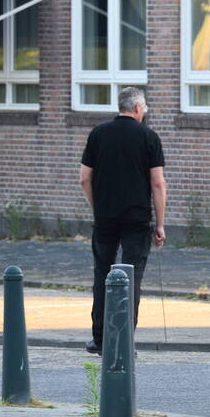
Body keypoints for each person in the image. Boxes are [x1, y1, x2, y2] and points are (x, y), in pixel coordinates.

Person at [78, 86, 167, 354]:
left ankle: (100, 339)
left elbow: (84, 178)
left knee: (101, 273)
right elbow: (158, 183)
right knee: (131, 277)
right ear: (138, 108)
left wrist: (99, 206)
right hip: (137, 219)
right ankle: (124, 340)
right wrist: (160, 224)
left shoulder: (98, 134)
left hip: (105, 218)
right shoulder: (149, 137)